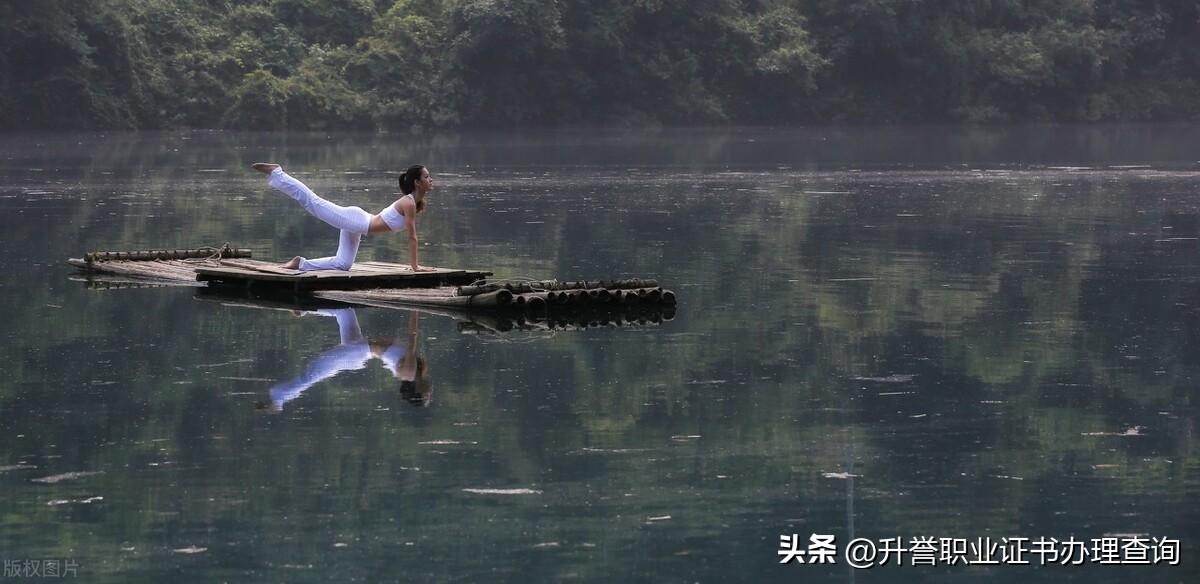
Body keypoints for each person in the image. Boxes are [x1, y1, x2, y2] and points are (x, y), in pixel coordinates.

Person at [252, 162, 436, 272]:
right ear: (417, 182)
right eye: (427, 177)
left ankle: (300, 263)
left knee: (343, 265)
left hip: (358, 225)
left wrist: (414, 266)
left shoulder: (414, 202)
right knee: (313, 203)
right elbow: (412, 237)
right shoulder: (408, 203)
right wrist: (415, 267)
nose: (431, 179)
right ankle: (277, 173)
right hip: (356, 221)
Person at [255, 308, 433, 413]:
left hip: (356, 352)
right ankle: (303, 308)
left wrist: (415, 310)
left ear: (417, 391)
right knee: (344, 310)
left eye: (426, 397)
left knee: (312, 374)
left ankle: (278, 400)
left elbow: (412, 337)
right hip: (359, 349)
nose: (430, 393)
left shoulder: (409, 374)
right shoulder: (410, 373)